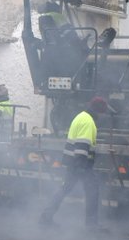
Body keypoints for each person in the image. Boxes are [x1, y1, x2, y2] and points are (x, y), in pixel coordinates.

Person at [43, 96, 114, 227]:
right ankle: (91, 225)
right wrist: (82, 168)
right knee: (93, 190)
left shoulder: (81, 116)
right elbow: (82, 145)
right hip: (81, 164)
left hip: (73, 163)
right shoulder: (88, 122)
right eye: (103, 113)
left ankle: (45, 217)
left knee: (64, 189)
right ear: (99, 111)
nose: (103, 116)